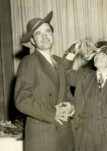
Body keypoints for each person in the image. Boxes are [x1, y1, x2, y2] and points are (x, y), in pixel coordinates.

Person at [15, 11, 75, 151]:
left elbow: (67, 92)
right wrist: (52, 112)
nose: (44, 36)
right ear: (32, 41)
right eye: (38, 33)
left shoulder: (60, 62)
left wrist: (71, 107)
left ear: (53, 35)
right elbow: (22, 99)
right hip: (42, 138)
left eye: (47, 31)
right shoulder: (29, 62)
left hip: (64, 135)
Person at [66, 41, 107, 151]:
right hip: (85, 138)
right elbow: (64, 75)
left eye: (104, 54)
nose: (98, 56)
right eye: (96, 53)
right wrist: (72, 51)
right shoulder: (83, 76)